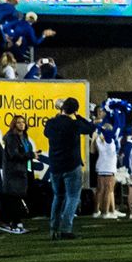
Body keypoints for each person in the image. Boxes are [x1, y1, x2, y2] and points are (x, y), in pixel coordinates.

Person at [44, 97, 96, 240]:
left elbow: (46, 133)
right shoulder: (74, 124)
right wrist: (78, 116)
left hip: (55, 165)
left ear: (62, 108)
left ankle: (53, 228)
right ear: (74, 110)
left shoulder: (51, 123)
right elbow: (91, 128)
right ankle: (65, 228)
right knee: (72, 197)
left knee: (58, 197)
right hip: (71, 165)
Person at [0, 115, 37, 234]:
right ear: (14, 124)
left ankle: (16, 222)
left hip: (23, 171)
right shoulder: (11, 137)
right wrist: (30, 155)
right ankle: (14, 223)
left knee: (19, 197)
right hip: (13, 172)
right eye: (18, 122)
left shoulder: (24, 137)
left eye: (23, 122)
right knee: (14, 198)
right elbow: (13, 155)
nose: (21, 124)